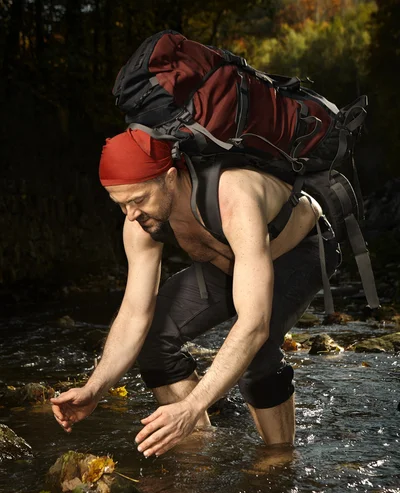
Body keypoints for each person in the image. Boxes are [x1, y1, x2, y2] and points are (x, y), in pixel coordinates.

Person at [51, 129, 340, 456]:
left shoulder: (234, 196)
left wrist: (193, 403)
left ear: (170, 178)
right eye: (121, 205)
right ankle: (198, 444)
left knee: (257, 351)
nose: (131, 214)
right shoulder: (140, 221)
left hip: (300, 250)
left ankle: (278, 458)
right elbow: (134, 313)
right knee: (154, 337)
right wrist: (95, 387)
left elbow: (254, 325)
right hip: (230, 264)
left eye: (138, 200)